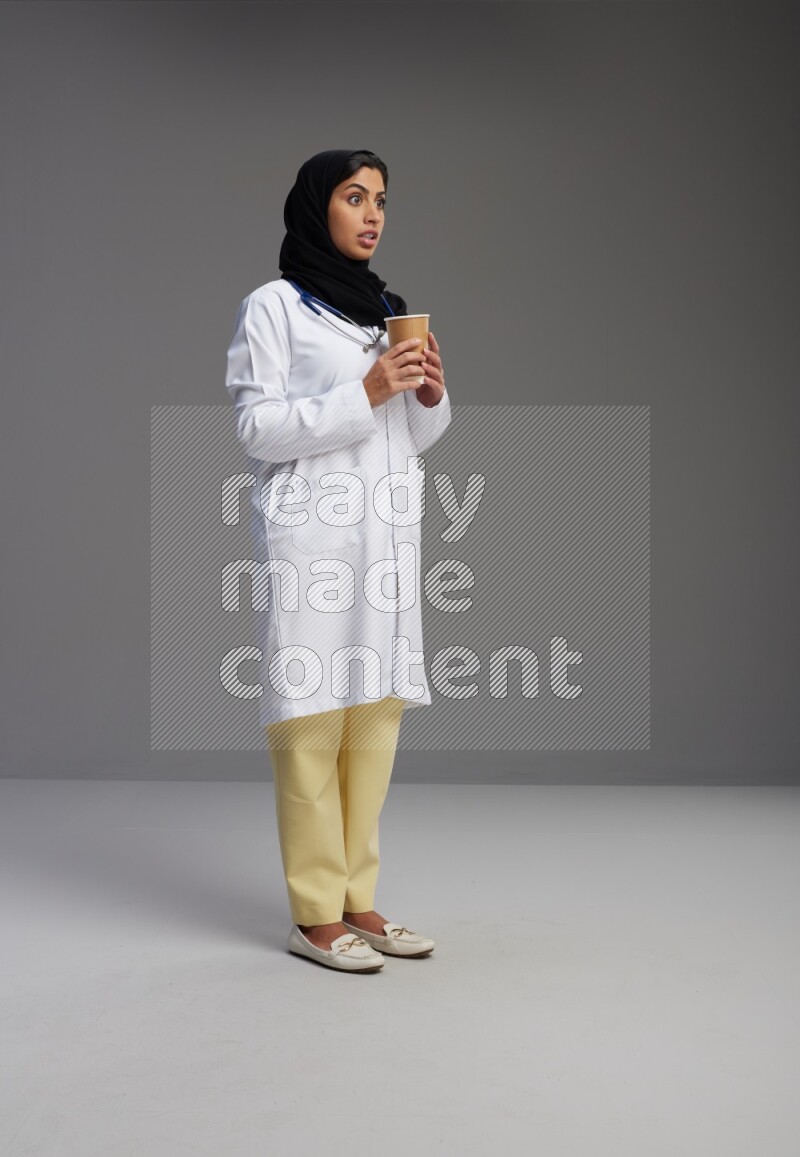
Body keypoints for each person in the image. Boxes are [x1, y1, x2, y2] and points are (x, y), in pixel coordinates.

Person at [225, 149, 452, 972]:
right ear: (317, 207)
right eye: (355, 197)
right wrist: (368, 390)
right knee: (312, 725)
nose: (373, 213)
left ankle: (360, 898)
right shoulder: (274, 308)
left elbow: (415, 436)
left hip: (383, 542)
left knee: (373, 724)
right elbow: (256, 430)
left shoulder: (385, 310)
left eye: (382, 199)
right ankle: (315, 913)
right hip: (313, 545)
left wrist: (426, 392)